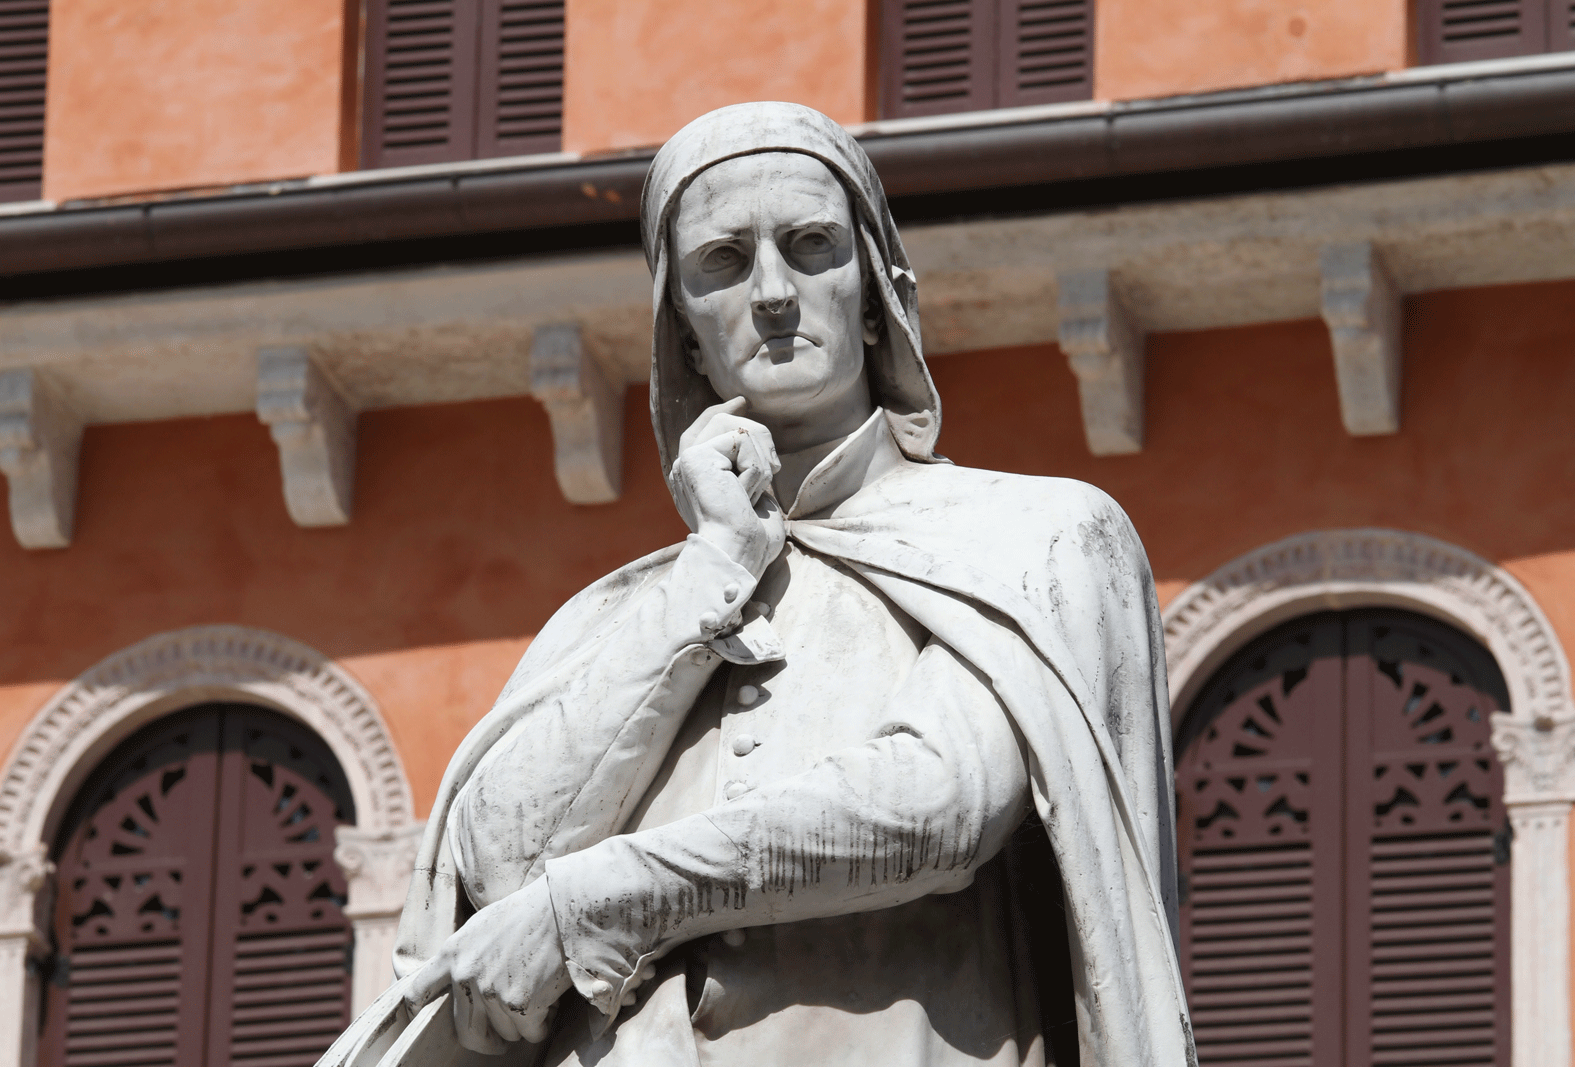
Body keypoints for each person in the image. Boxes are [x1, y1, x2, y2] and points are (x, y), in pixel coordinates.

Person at [320, 101, 1195, 1067]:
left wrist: (606, 893)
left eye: (812, 246)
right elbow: (499, 865)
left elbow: (940, 803)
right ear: (683, 333)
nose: (773, 292)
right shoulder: (613, 617)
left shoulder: (1035, 536)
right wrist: (714, 569)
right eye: (724, 263)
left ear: (875, 296)